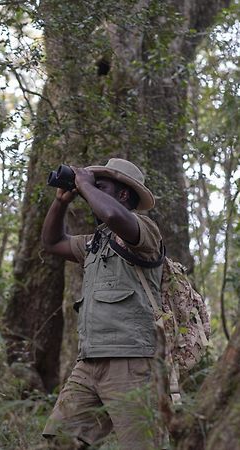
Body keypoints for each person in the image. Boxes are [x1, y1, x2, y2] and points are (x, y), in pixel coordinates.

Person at [41, 158, 163, 450]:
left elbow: (111, 214)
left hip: (131, 362)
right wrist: (61, 201)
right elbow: (52, 242)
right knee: (61, 441)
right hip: (88, 363)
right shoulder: (96, 242)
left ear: (122, 195)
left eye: (100, 186)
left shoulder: (144, 231)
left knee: (142, 445)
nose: (89, 191)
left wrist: (83, 181)